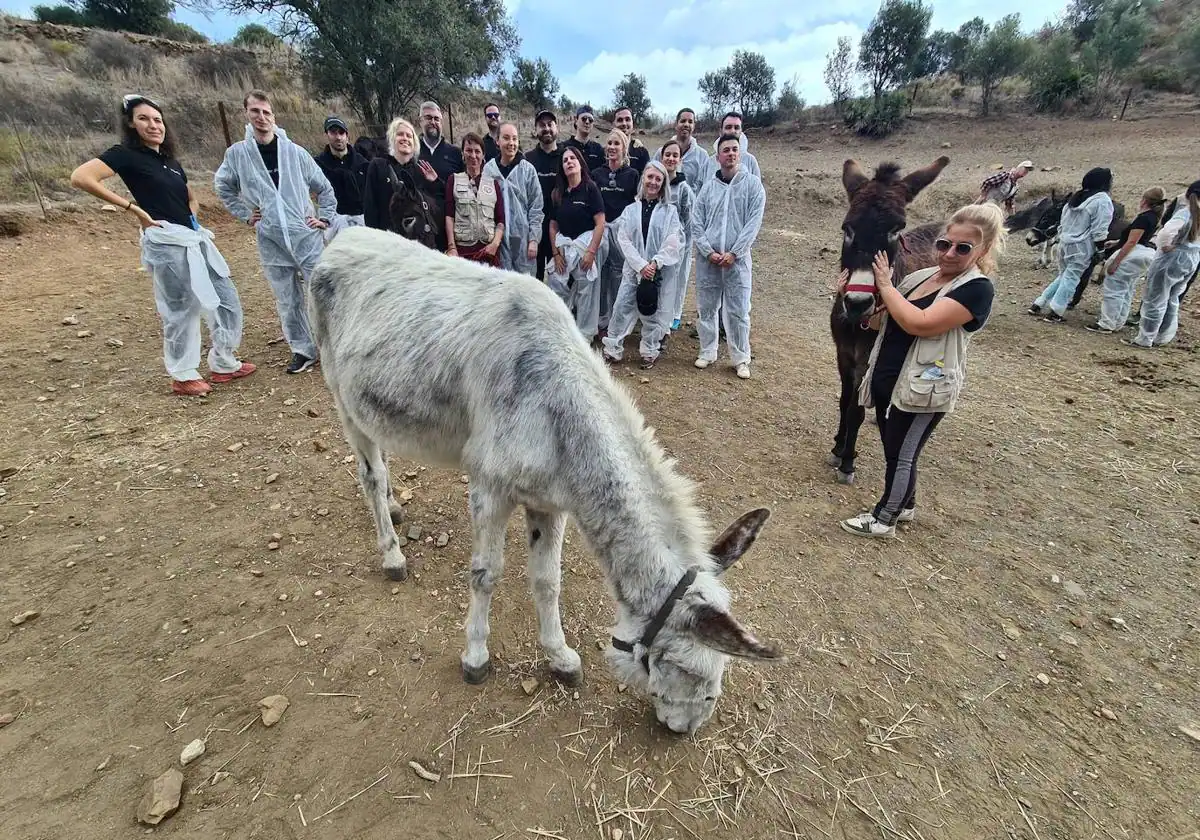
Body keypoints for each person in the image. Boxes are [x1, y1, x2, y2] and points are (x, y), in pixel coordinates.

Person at [71, 94, 254, 397]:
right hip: (166, 242)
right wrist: (135, 210)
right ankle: (182, 374)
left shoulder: (170, 162)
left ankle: (224, 361)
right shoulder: (125, 154)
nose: (153, 125)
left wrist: (192, 214)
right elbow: (82, 177)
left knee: (225, 298)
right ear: (131, 123)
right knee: (181, 307)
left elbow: (190, 196)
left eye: (157, 119)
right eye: (144, 119)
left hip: (191, 237)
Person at [839, 203, 1003, 538]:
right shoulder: (920, 278)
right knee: (894, 449)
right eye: (944, 244)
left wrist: (884, 285)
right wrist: (853, 298)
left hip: (924, 388)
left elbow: (920, 323)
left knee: (902, 455)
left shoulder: (976, 289)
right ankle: (906, 504)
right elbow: (880, 321)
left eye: (963, 248)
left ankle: (885, 518)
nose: (949, 253)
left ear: (982, 250)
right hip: (893, 381)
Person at [214, 89, 336, 375]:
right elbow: (223, 186)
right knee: (287, 297)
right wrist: (246, 214)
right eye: (255, 111)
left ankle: (331, 348)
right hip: (271, 238)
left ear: (274, 116)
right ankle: (302, 350)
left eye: (266, 112)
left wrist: (325, 218)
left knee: (320, 292)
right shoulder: (238, 155)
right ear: (246, 114)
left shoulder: (295, 153)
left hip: (305, 236)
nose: (261, 117)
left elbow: (324, 188)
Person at [692, 133, 766, 379]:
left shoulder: (753, 186)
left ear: (740, 152)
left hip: (738, 262)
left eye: (735, 149)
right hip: (708, 262)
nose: (731, 154)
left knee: (738, 310)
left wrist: (735, 252)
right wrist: (708, 251)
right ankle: (707, 351)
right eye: (726, 150)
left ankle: (741, 358)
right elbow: (696, 222)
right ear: (718, 155)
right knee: (707, 308)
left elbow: (753, 224)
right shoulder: (708, 188)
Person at [601, 161, 684, 369]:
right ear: (643, 180)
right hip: (633, 270)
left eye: (658, 179)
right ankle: (613, 348)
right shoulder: (630, 210)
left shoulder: (670, 212)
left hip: (657, 271)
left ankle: (650, 348)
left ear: (663, 183)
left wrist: (656, 262)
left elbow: (673, 239)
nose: (653, 182)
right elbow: (624, 238)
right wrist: (640, 265)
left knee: (653, 309)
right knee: (622, 306)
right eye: (650, 177)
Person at [1028, 167, 1114, 324]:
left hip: (1064, 243)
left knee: (1064, 276)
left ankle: (1039, 303)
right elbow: (1099, 229)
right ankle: (1056, 311)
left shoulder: (1076, 198)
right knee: (1072, 278)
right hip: (1081, 246)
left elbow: (1063, 222)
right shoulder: (1102, 201)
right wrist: (1100, 249)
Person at [1127, 179, 1200, 348]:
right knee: (1173, 298)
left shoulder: (1185, 213)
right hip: (1192, 258)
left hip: (1172, 258)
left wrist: (1167, 246)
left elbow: (1166, 233)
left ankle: (1145, 338)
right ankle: (1163, 336)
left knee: (1156, 298)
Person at [1087, 187, 1166, 334]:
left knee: (1114, 289)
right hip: (1145, 254)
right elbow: (1138, 238)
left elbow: (1132, 242)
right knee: (1127, 289)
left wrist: (1116, 261)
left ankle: (1107, 323)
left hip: (1133, 255)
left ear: (1144, 200)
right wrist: (1117, 242)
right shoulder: (1154, 217)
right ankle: (1118, 321)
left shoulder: (1143, 218)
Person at [546, 146, 606, 337]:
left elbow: (600, 222)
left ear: (580, 163)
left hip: (585, 248)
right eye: (565, 160)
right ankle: (559, 331)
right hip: (564, 248)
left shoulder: (590, 189)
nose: (569, 162)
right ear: (562, 168)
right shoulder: (557, 193)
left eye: (573, 158)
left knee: (586, 291)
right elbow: (553, 226)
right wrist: (555, 254)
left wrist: (591, 252)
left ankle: (585, 334)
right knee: (557, 284)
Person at [362, 117, 446, 249]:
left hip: (416, 245)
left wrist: (435, 182)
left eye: (409, 136)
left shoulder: (420, 171)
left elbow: (437, 207)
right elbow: (370, 207)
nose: (405, 138)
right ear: (391, 138)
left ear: (414, 142)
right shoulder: (378, 166)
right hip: (386, 242)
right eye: (400, 134)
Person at [591, 129, 640, 335]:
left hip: (622, 230)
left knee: (619, 273)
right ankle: (602, 318)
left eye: (616, 144)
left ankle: (618, 318)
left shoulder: (632, 174)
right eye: (609, 143)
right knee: (601, 273)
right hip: (602, 228)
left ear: (624, 148)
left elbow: (635, 204)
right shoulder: (597, 174)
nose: (612, 147)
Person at [482, 121, 544, 275]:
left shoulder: (527, 170)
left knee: (524, 287)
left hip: (522, 241)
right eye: (506, 138)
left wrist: (534, 239)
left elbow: (536, 207)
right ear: (497, 141)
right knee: (501, 285)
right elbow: (484, 206)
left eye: (515, 139)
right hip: (497, 240)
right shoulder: (489, 170)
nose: (511, 143)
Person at [445, 133, 506, 266]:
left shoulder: (493, 184)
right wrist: (452, 247)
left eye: (477, 151)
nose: (473, 155)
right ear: (463, 153)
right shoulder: (453, 180)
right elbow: (449, 216)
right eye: (469, 150)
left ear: (483, 155)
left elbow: (500, 220)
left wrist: (495, 245)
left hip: (488, 253)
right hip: (462, 253)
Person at [658, 139, 696, 333]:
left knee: (677, 280)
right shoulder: (655, 183)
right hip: (657, 243)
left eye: (675, 155)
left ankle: (674, 314)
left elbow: (689, 221)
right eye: (668, 155)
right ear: (661, 157)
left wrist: (684, 246)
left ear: (680, 160)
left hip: (679, 246)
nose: (671, 158)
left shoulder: (683, 189)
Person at [314, 115, 369, 241]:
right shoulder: (318, 164)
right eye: (333, 133)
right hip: (332, 221)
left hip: (361, 221)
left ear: (347, 135)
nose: (338, 137)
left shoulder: (363, 163)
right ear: (326, 135)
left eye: (341, 133)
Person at [526, 109, 564, 280]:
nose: (546, 128)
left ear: (557, 128)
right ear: (536, 130)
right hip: (535, 231)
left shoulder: (566, 157)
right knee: (535, 281)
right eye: (542, 125)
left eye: (550, 124)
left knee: (562, 281)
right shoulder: (527, 159)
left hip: (561, 230)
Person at [417, 101, 464, 181]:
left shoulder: (456, 153)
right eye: (428, 118)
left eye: (436, 119)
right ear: (420, 121)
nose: (433, 122)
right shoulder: (412, 152)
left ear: (441, 122)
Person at [709, 112, 760, 179]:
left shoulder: (750, 161)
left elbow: (757, 187)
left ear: (741, 131)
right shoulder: (710, 162)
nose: (733, 131)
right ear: (721, 132)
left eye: (736, 127)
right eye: (728, 127)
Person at [564, 105, 605, 173]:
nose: (587, 122)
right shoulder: (565, 147)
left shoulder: (598, 149)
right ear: (576, 121)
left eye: (590, 120)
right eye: (584, 118)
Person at [613, 107, 650, 174]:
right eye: (620, 120)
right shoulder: (606, 152)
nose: (624, 123)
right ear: (614, 123)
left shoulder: (642, 152)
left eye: (627, 119)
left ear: (632, 123)